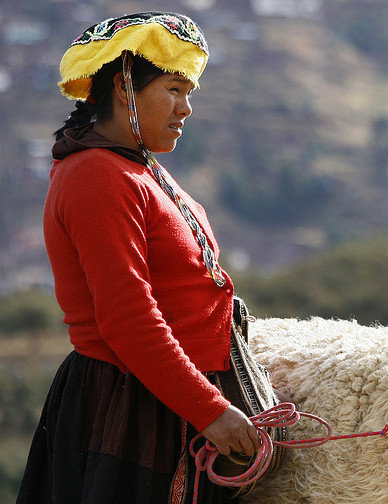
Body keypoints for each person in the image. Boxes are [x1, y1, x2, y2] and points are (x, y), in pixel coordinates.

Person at [17, 12, 263, 504]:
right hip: (131, 408)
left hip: (167, 398)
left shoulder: (140, 170)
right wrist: (211, 410)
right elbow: (129, 320)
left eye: (187, 92)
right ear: (126, 88)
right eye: (173, 89)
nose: (186, 108)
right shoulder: (96, 176)